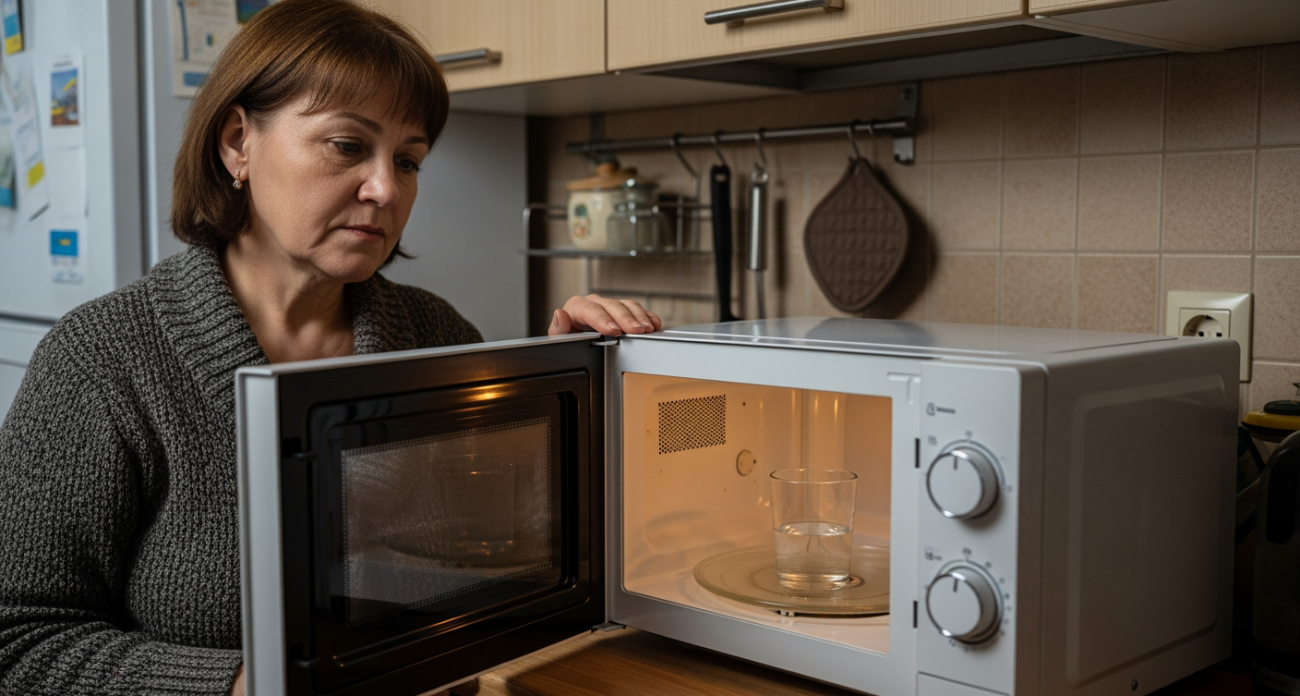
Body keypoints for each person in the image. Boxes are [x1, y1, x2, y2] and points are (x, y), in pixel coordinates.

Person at [0, 2, 659, 694]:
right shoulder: (100, 361)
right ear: (237, 143)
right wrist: (246, 686)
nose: (385, 189)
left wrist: (568, 396)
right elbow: (20, 643)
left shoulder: (438, 336)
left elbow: (514, 564)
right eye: (347, 146)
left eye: (408, 161)